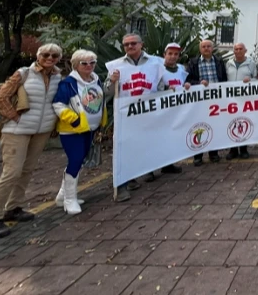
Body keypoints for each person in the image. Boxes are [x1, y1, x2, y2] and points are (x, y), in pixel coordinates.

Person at [0, 44, 63, 238]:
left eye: (54, 55)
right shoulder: (24, 73)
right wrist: (15, 117)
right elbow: (1, 97)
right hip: (17, 130)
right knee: (12, 172)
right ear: (38, 56)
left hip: (41, 130)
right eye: (45, 54)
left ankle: (14, 208)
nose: (49, 58)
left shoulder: (58, 77)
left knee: (27, 170)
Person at [106, 33, 165, 201]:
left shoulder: (157, 62)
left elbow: (163, 85)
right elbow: (107, 91)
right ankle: (123, 183)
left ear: (141, 45)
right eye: (126, 45)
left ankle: (146, 171)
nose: (130, 47)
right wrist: (111, 81)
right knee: (124, 148)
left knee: (148, 143)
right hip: (126, 114)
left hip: (149, 112)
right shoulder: (115, 66)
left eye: (133, 43)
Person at [52, 49, 107, 215]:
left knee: (78, 161)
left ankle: (62, 195)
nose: (89, 66)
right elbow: (58, 105)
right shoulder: (68, 83)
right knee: (75, 160)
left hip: (89, 129)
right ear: (75, 65)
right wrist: (74, 119)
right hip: (72, 131)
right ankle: (70, 199)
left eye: (92, 62)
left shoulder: (96, 80)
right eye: (84, 63)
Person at [184, 39, 228, 166]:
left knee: (214, 126)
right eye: (204, 46)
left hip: (216, 100)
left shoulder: (219, 61)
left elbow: (224, 79)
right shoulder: (193, 62)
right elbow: (188, 80)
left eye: (209, 46)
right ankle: (198, 155)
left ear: (212, 48)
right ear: (200, 49)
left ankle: (213, 153)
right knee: (199, 127)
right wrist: (199, 84)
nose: (206, 48)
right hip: (200, 101)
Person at [149, 42, 186, 176]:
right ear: (164, 55)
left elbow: (183, 86)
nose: (172, 57)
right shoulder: (157, 69)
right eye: (170, 53)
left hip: (174, 110)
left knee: (169, 138)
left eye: (176, 54)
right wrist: (165, 90)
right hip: (159, 110)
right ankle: (149, 170)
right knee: (155, 140)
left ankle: (168, 164)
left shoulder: (181, 69)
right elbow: (151, 88)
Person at [225, 42, 258, 160]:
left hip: (245, 99)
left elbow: (256, 79)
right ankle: (233, 150)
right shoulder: (228, 64)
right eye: (236, 49)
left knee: (243, 122)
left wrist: (251, 79)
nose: (238, 51)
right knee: (232, 123)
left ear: (245, 50)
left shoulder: (251, 63)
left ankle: (243, 149)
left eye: (240, 49)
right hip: (231, 99)